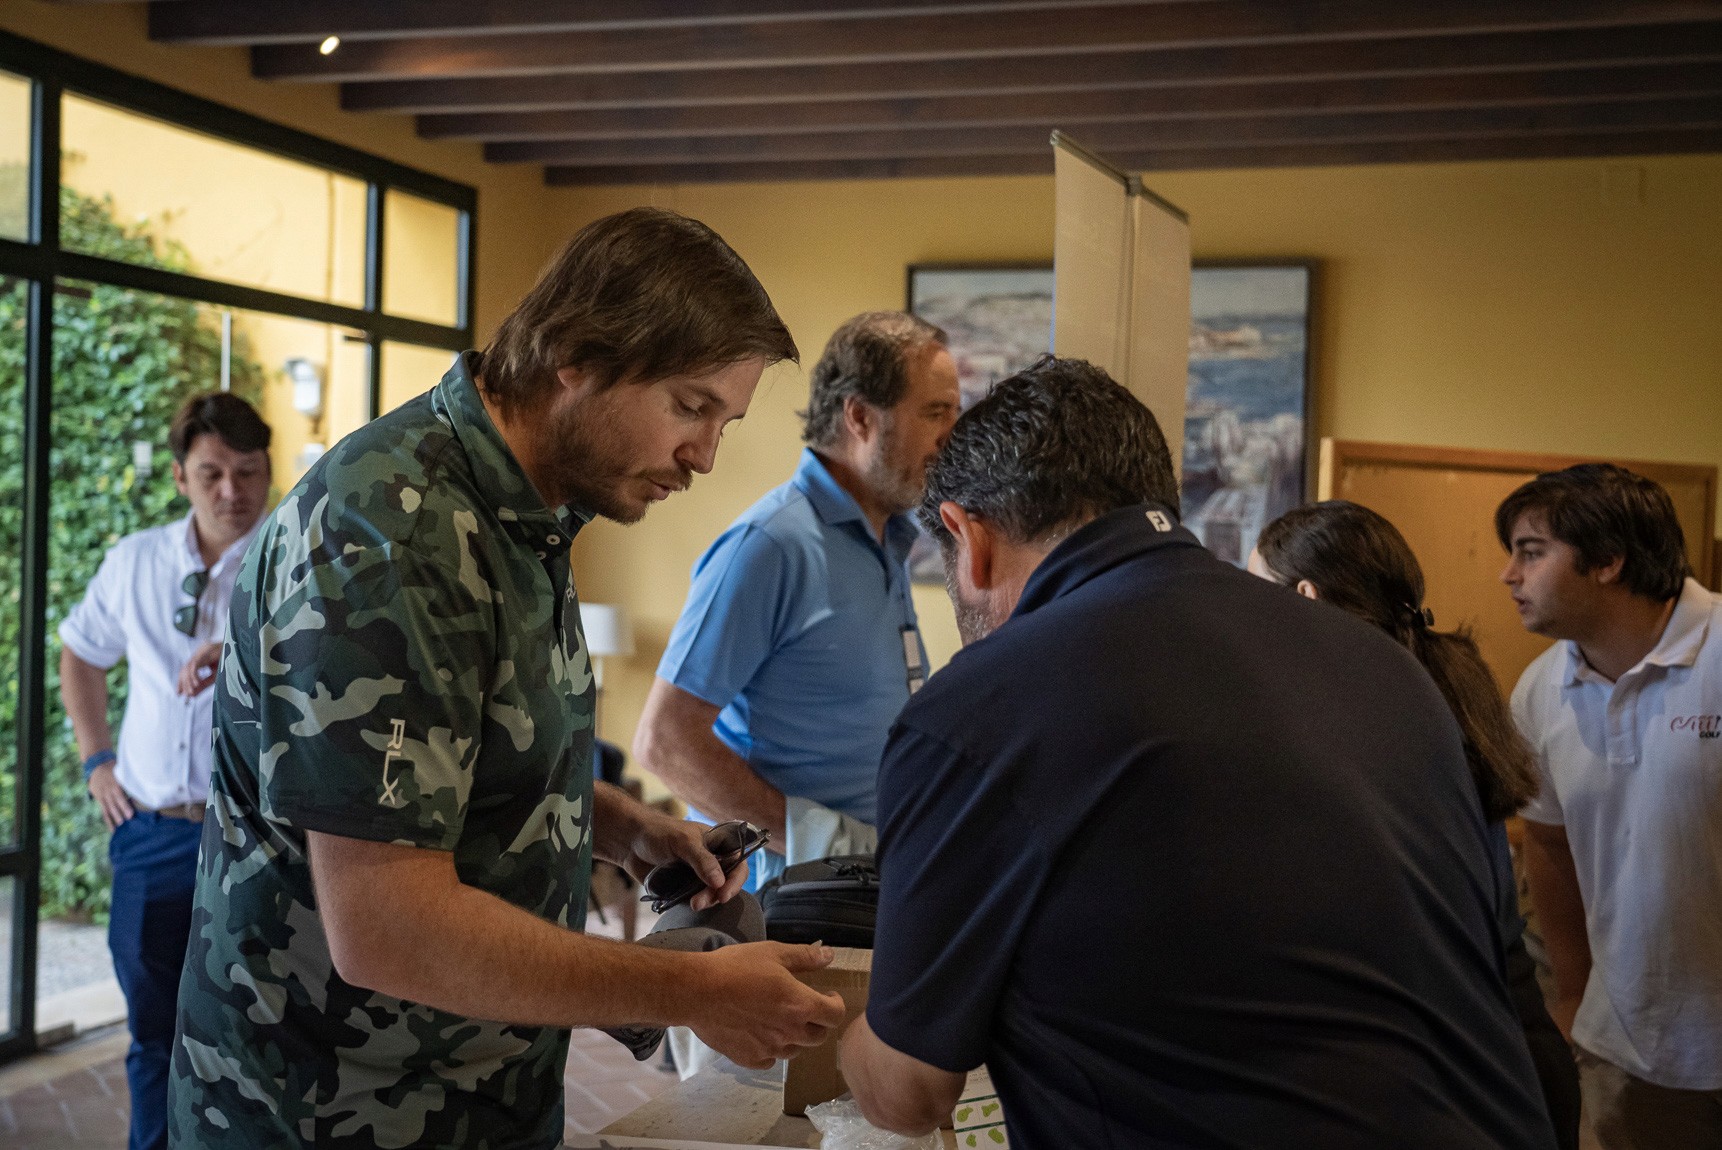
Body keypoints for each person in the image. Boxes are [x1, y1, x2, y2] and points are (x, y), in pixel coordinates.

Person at [168, 208, 848, 1150]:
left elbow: (451, 748)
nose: (704, 455)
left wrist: (614, 822)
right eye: (691, 407)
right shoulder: (391, 535)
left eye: (722, 422)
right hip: (333, 1112)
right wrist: (690, 990)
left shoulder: (528, 512)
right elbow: (386, 924)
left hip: (479, 1097)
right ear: (574, 354)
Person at [840, 357, 1557, 1150]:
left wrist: (839, 1024)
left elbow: (908, 1094)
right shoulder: (1384, 664)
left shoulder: (979, 708)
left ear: (966, 537)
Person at [1250, 499, 1579, 1150]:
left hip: (1443, 1076)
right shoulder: (1434, 690)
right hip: (1509, 1048)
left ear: (1305, 598)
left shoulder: (1346, 730)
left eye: (1253, 593)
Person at [634, 311, 959, 885]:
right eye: (936, 413)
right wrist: (820, 841)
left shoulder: (891, 535)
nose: (950, 436)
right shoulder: (772, 545)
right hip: (782, 903)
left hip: (869, 880)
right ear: (860, 417)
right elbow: (666, 742)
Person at [57, 391, 272, 1150]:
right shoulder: (135, 560)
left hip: (253, 843)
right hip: (149, 835)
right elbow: (80, 653)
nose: (231, 492)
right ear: (180, 476)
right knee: (152, 1034)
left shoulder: (294, 562)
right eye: (212, 473)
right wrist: (97, 762)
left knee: (250, 1038)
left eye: (247, 472)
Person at [1498, 463, 1722, 1149]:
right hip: (1630, 1049)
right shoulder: (1541, 688)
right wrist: (1572, 994)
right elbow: (1549, 843)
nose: (1509, 575)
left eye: (1531, 552)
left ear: (1608, 560)